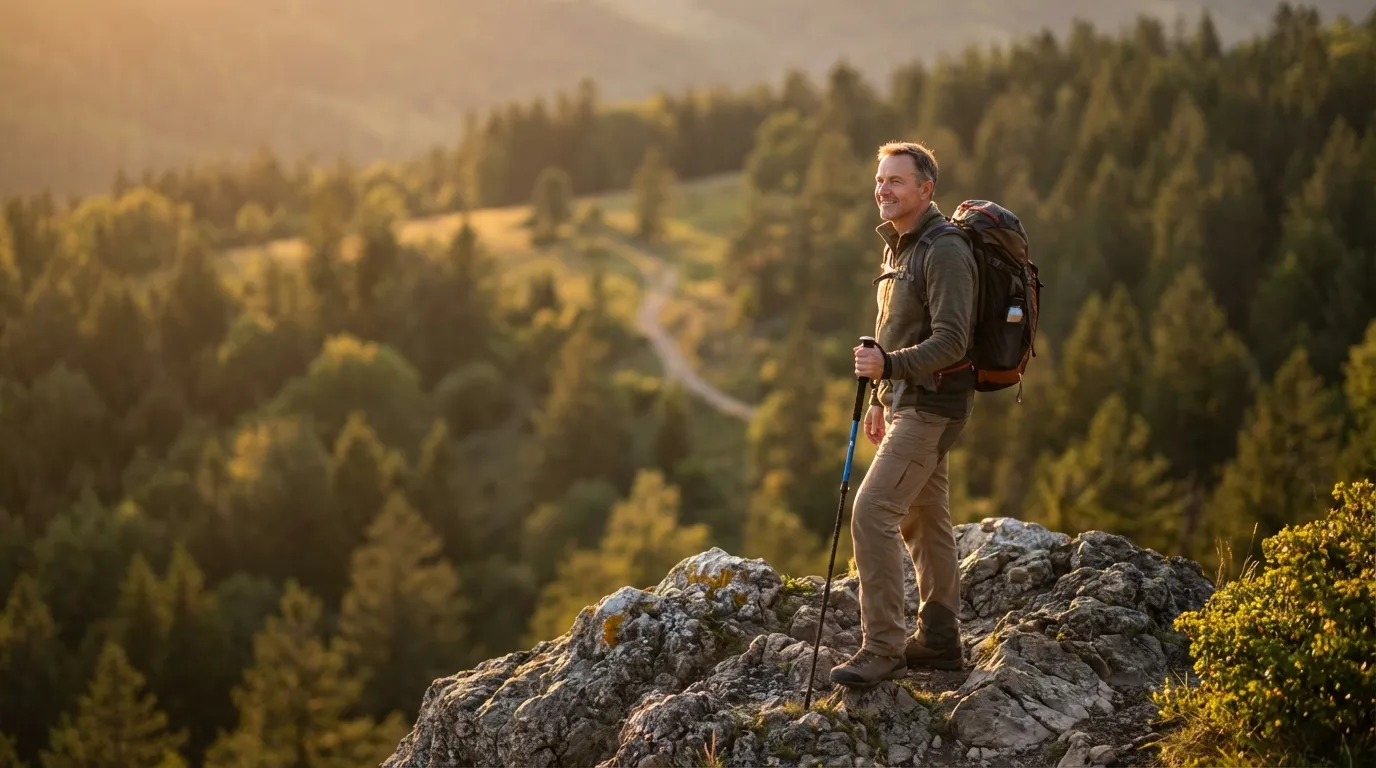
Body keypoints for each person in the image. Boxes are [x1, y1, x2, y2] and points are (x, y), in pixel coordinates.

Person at [830, 140, 977, 688]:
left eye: (895, 180)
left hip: (932, 404)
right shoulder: (899, 246)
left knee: (872, 512)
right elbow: (896, 331)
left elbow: (953, 341)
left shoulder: (944, 250)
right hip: (905, 401)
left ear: (925, 189)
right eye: (880, 180)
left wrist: (888, 366)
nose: (883, 189)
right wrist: (879, 396)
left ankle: (883, 648)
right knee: (924, 516)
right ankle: (939, 642)